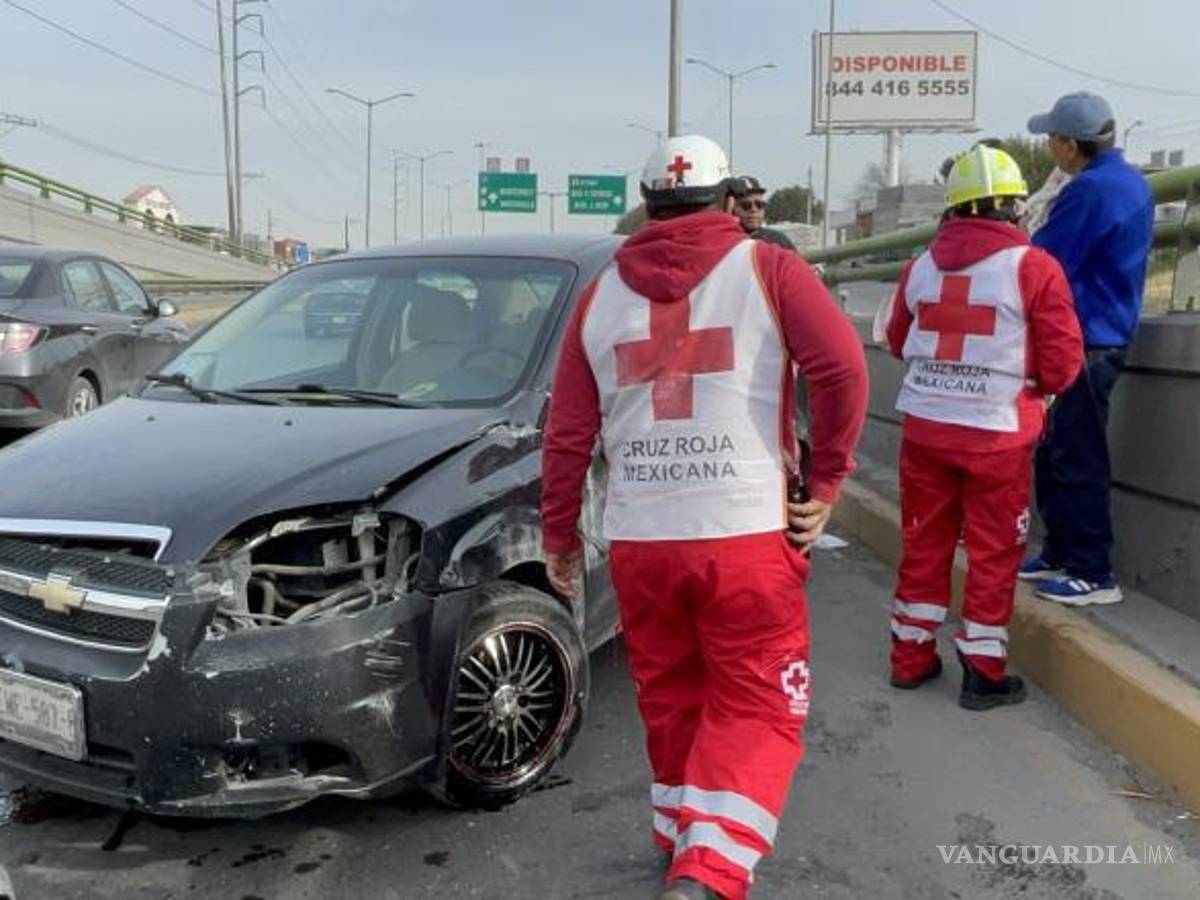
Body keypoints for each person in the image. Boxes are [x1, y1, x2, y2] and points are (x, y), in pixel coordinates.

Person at [540, 134, 868, 900]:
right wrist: (827, 480)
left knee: (673, 694)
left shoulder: (599, 295)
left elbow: (566, 436)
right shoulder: (768, 267)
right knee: (758, 702)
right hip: (744, 532)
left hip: (642, 540)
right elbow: (844, 368)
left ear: (648, 209)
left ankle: (681, 836)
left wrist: (559, 537)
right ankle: (710, 870)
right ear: (729, 203)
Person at [884, 145, 1083, 709]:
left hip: (925, 431)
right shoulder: (1034, 267)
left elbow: (899, 341)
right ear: (1013, 207)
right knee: (994, 552)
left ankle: (909, 658)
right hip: (997, 437)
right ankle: (982, 672)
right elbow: (1064, 364)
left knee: (924, 545)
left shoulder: (918, 267)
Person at [1021, 91, 1155, 606]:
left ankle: (1091, 568)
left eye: (1052, 139)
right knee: (1056, 449)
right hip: (1098, 334)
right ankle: (1061, 551)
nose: (1051, 148)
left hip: (1085, 339)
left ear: (1070, 144)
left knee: (1076, 452)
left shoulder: (1090, 191)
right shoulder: (1124, 181)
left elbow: (1044, 260)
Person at [729, 175, 797, 249]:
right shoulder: (724, 241)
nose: (754, 209)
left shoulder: (779, 240)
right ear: (732, 208)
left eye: (759, 205)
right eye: (746, 205)